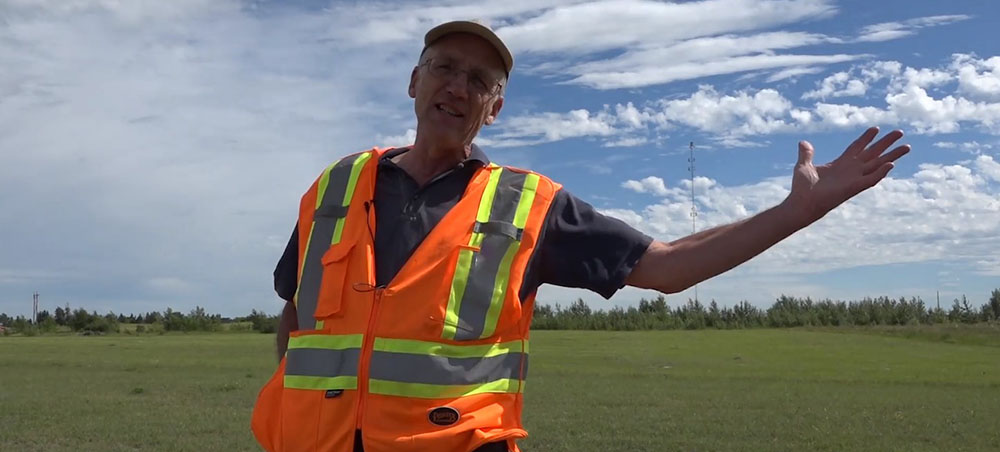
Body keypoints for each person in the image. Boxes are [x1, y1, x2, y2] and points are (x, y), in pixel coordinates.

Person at [251, 20, 910, 452]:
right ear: (414, 82)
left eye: (479, 81)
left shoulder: (530, 207)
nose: (458, 87)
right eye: (445, 67)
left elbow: (671, 266)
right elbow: (296, 316)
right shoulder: (336, 187)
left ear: (495, 108)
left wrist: (798, 210)